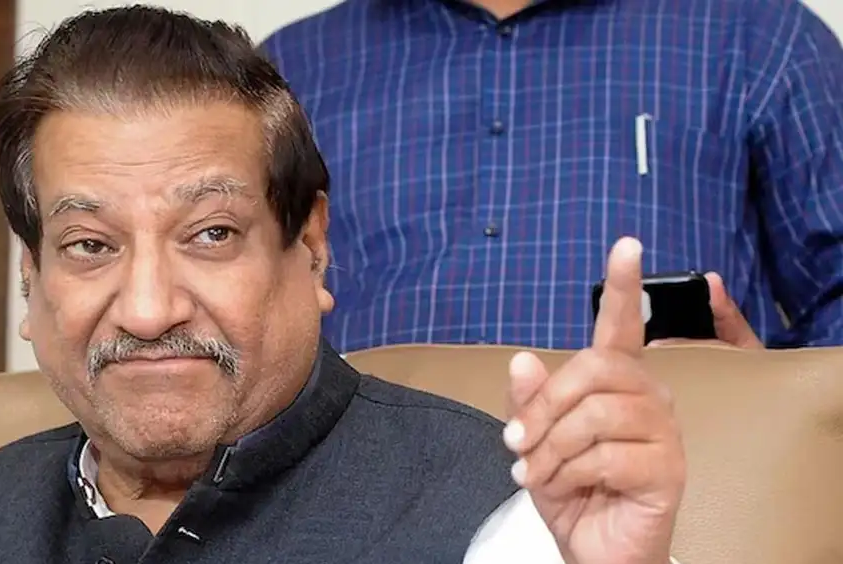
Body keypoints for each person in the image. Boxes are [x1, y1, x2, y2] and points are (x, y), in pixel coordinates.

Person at [0, 7, 723, 564]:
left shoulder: (509, 521)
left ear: (311, 245)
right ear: (32, 278)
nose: (148, 309)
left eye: (211, 234)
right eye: (90, 245)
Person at [262, 0, 843, 352]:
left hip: (689, 489)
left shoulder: (760, 36)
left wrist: (770, 403)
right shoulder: (291, 69)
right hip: (354, 502)